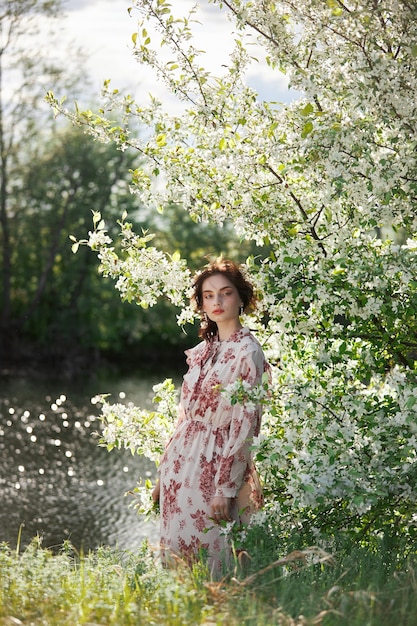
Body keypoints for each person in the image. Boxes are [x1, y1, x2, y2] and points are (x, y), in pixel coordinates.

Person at [152, 258, 270, 576]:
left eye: (225, 293)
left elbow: (246, 425)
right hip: (181, 466)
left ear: (241, 298)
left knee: (213, 561)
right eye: (208, 295)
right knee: (175, 561)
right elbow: (184, 417)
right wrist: (163, 472)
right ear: (201, 303)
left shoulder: (248, 353)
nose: (217, 302)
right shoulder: (204, 350)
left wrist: (225, 488)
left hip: (216, 467)